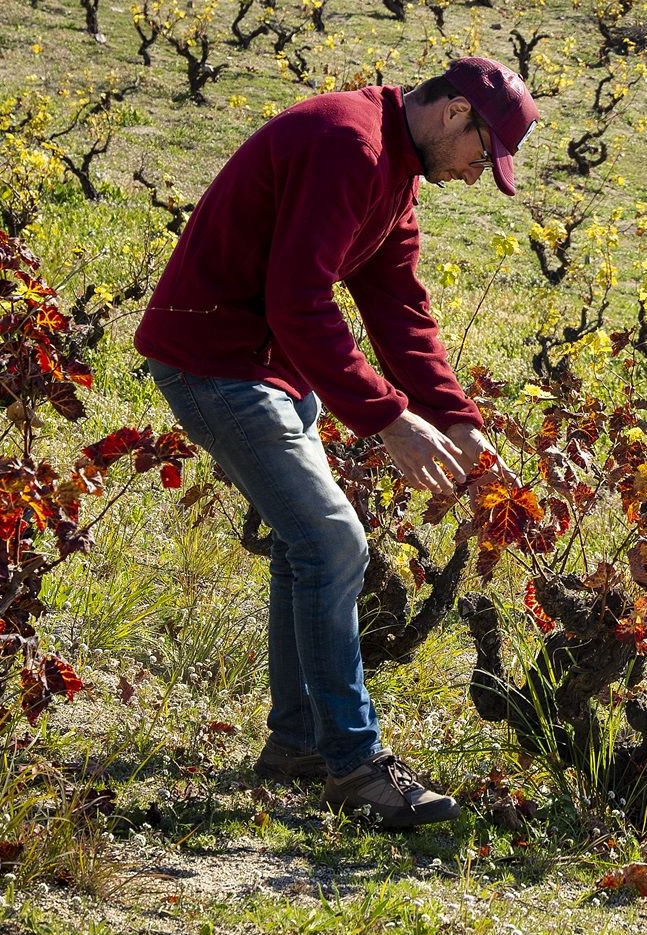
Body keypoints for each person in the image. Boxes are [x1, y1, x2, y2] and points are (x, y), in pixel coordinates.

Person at [135, 57, 539, 829]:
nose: (479, 175)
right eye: (485, 156)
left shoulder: (394, 168)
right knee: (331, 543)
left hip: (269, 371)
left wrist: (459, 421)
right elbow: (297, 300)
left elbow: (399, 306)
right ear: (456, 113)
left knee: (306, 548)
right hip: (216, 364)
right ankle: (354, 767)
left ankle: (299, 746)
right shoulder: (348, 146)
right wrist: (388, 418)